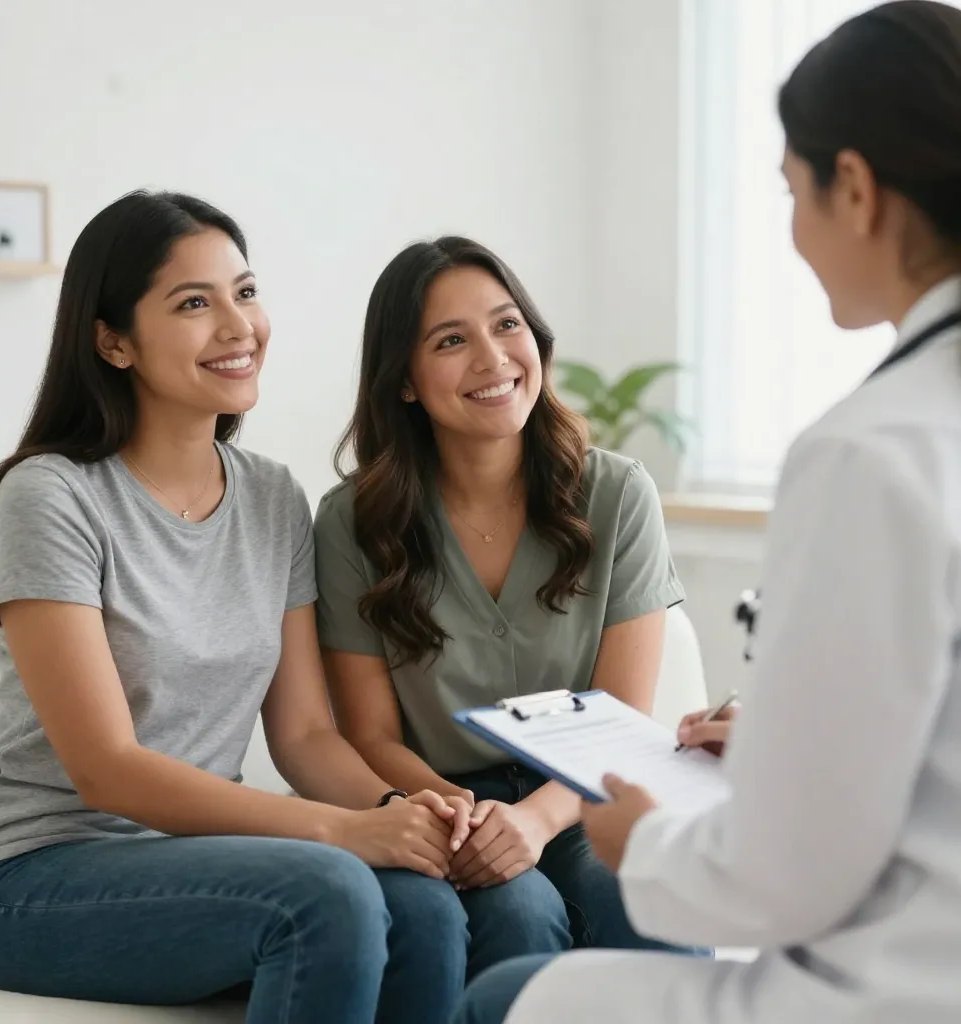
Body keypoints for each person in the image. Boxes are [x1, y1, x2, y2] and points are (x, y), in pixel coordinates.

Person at [453, 1, 961, 1021]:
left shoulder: (871, 449)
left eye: (791, 192)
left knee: (502, 999)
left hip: (896, 985)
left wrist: (641, 841)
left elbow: (786, 876)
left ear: (853, 187)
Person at [0, 190, 478, 1024]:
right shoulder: (48, 496)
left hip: (205, 862)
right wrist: (338, 835)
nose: (239, 326)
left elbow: (304, 735)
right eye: (194, 303)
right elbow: (106, 768)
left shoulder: (271, 496)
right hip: (38, 879)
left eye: (246, 291)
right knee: (330, 889)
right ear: (113, 341)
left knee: (425, 907)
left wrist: (393, 813)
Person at [314, 233, 704, 980]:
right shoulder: (350, 522)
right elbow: (369, 736)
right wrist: (466, 817)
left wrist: (533, 819)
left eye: (506, 324)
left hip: (587, 797)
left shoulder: (617, 493)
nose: (493, 359)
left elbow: (624, 717)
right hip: (446, 806)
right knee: (518, 913)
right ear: (403, 380)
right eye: (451, 340)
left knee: (653, 891)